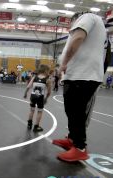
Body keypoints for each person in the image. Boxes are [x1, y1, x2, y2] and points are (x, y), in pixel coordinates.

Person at [52, 12, 106, 162]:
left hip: (83, 75)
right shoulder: (97, 25)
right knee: (72, 110)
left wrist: (63, 64)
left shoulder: (87, 17)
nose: (72, 28)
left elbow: (78, 37)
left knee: (77, 112)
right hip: (78, 75)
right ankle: (72, 139)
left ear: (74, 20)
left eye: (71, 25)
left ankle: (80, 148)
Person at [23, 64, 51, 132]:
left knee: (32, 110)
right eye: (48, 71)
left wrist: (25, 93)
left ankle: (29, 124)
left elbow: (28, 86)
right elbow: (49, 92)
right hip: (40, 97)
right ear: (45, 71)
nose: (48, 72)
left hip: (33, 96)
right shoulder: (47, 80)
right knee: (39, 111)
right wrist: (46, 98)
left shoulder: (34, 77)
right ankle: (36, 126)